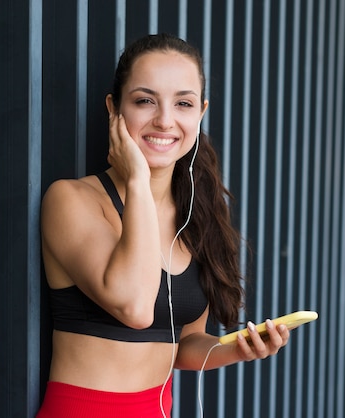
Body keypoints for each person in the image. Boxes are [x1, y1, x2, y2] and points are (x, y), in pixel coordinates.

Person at [36, 33, 290, 418]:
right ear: (114, 109)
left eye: (183, 103)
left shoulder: (196, 215)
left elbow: (184, 345)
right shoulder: (72, 200)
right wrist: (137, 179)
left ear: (200, 113)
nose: (165, 120)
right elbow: (135, 307)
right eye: (144, 101)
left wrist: (238, 348)